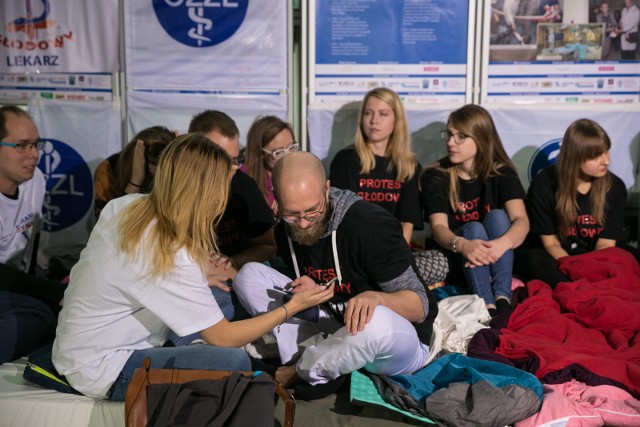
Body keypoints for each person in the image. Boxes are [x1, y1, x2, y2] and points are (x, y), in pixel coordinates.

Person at [52, 134, 334, 400]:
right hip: (100, 367)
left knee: (221, 297)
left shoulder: (125, 206)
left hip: (81, 341)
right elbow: (222, 337)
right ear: (206, 191)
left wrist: (200, 274)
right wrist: (290, 308)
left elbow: (131, 272)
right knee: (232, 360)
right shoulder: (171, 251)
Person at [233, 151, 438, 394]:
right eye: (291, 214)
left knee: (376, 321)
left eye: (312, 211)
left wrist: (378, 298)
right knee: (248, 276)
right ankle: (315, 355)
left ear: (327, 189)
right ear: (276, 198)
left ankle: (299, 371)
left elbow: (420, 306)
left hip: (398, 344)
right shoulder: (285, 230)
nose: (303, 223)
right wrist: (312, 285)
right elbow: (323, 277)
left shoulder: (370, 227)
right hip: (335, 325)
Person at [419, 105, 529, 317]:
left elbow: (521, 220)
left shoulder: (501, 172)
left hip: (497, 255)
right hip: (456, 252)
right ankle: (487, 305)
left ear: (481, 138)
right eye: (449, 135)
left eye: (461, 137)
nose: (451, 142)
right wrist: (463, 245)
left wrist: (500, 245)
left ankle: (502, 299)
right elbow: (439, 227)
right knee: (474, 227)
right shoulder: (436, 175)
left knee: (497, 217)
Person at [187, 110, 276, 323]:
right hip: (192, 287)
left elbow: (268, 246)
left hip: (236, 280)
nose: (232, 167)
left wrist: (231, 261)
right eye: (222, 158)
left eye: (236, 159)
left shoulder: (243, 187)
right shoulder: (177, 192)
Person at [520, 119, 628, 288]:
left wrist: (589, 269)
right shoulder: (544, 184)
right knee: (535, 259)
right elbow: (551, 244)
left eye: (607, 152)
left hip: (595, 257)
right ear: (575, 157)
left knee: (627, 258)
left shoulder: (615, 187)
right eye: (596, 156)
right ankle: (573, 291)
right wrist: (574, 269)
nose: (606, 160)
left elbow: (606, 244)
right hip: (557, 257)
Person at [0, 106, 66, 364]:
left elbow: (30, 242)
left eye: (37, 145)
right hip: (7, 286)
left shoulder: (35, 179)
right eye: (21, 146)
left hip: (15, 287)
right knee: (39, 316)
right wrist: (51, 292)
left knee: (67, 313)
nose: (33, 154)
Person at [329, 87, 422, 245]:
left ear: (396, 120)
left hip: (393, 249)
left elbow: (407, 223)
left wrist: (397, 257)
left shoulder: (409, 166)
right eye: (368, 113)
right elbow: (338, 217)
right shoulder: (345, 160)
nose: (373, 120)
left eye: (383, 114)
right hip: (353, 246)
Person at [93, 126, 175, 218]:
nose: (157, 176)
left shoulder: (174, 166)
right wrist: (135, 182)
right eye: (152, 174)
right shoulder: (107, 169)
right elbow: (104, 222)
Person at [241, 115, 298, 216]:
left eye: (291, 147)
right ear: (260, 153)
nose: (288, 156)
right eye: (279, 152)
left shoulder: (301, 171)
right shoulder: (244, 182)